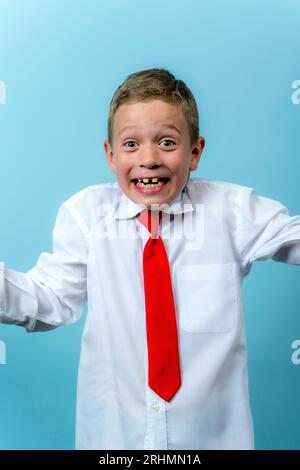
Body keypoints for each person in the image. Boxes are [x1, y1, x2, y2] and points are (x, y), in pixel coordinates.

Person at [1, 68, 299, 450]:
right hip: (114, 440)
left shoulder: (232, 212)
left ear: (195, 152)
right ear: (110, 155)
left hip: (212, 441)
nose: (149, 158)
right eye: (131, 144)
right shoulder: (85, 215)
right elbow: (50, 300)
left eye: (167, 142)